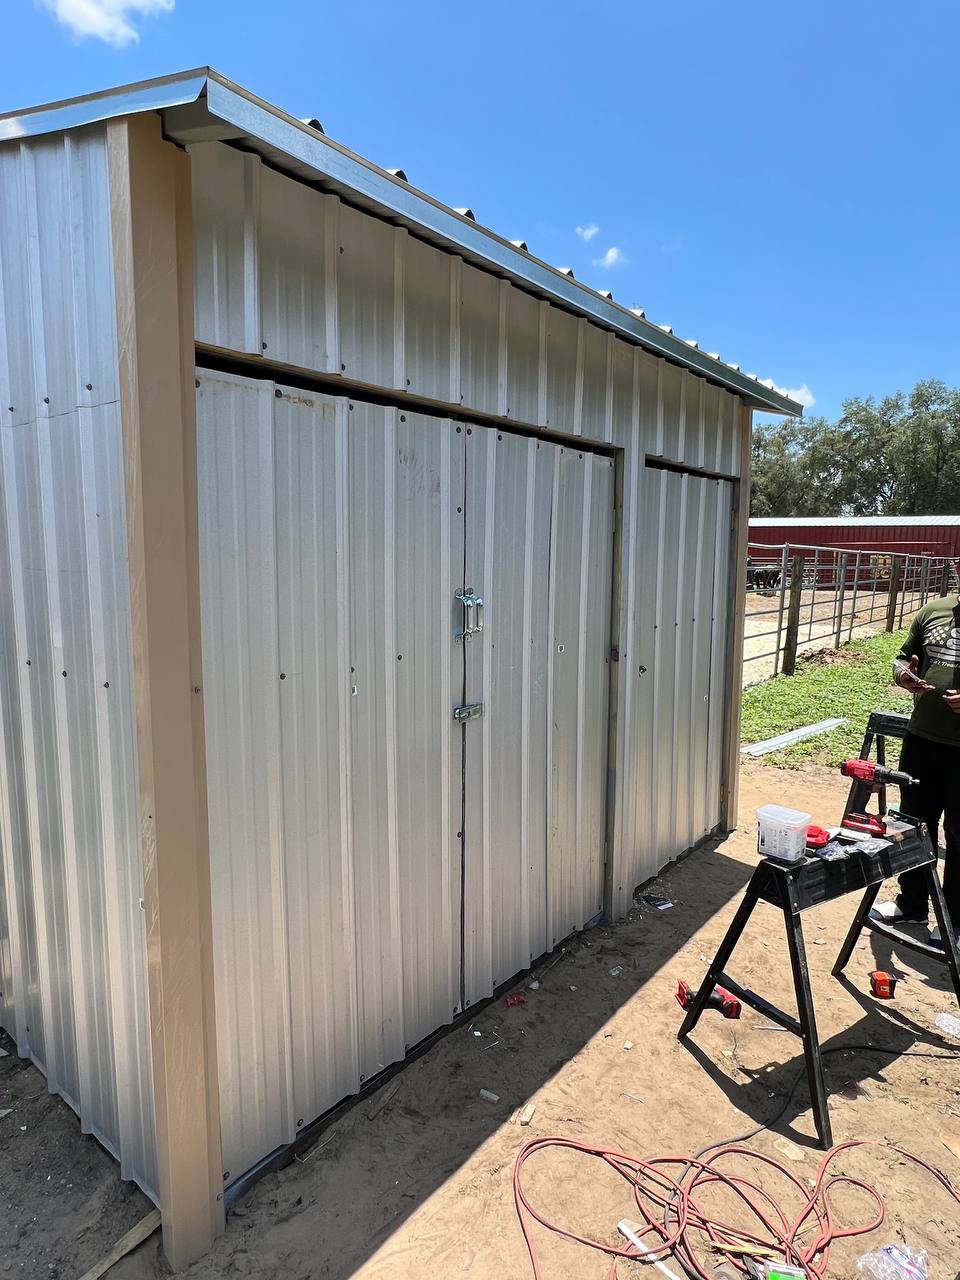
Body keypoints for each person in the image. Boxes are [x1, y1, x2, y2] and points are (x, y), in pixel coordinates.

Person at [872, 579, 960, 945]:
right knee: (914, 823)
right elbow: (900, 656)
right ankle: (912, 904)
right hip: (922, 738)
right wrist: (903, 675)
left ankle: (954, 919)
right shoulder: (932, 611)